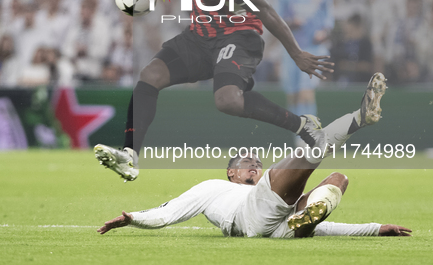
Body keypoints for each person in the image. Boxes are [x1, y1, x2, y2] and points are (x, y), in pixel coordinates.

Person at [95, 0, 334, 181]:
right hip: (201, 33)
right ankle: (129, 156)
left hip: (239, 34)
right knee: (150, 75)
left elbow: (265, 9)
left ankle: (303, 126)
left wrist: (297, 54)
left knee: (227, 100)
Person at [97, 75, 410, 238]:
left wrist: (374, 228)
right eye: (247, 163)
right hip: (249, 215)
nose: (255, 165)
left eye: (257, 163)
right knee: (311, 150)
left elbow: (325, 228)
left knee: (338, 180)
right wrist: (132, 218)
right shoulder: (214, 188)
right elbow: (170, 212)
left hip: (281, 227)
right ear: (231, 173)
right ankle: (360, 118)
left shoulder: (268, 189)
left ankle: (302, 222)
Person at [276, 0, 334, 141]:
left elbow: (329, 19)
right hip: (291, 49)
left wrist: (323, 32)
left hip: (313, 47)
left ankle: (311, 137)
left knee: (306, 92)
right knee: (293, 95)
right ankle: (297, 139)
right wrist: (292, 22)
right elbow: (277, 19)